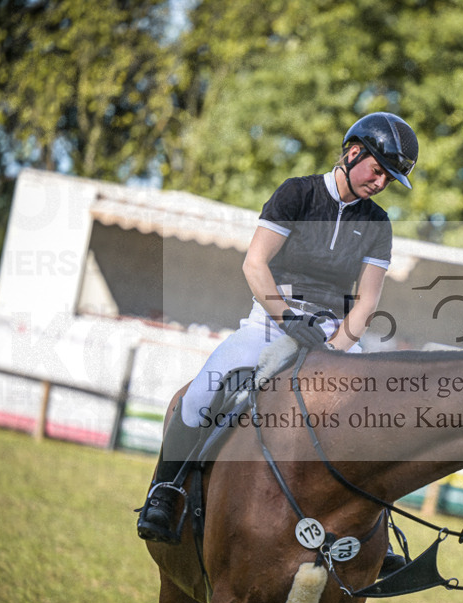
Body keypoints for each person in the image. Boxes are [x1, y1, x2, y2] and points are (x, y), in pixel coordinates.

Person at [137, 112, 419, 571]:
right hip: (271, 320)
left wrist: (335, 350)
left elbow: (366, 302)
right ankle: (164, 495)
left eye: (389, 177)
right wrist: (286, 318)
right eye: (377, 170)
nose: (381, 182)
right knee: (203, 393)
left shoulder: (378, 223)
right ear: (353, 153)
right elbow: (255, 264)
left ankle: (379, 537)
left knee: (377, 412)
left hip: (333, 332)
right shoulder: (297, 193)